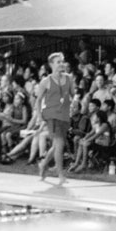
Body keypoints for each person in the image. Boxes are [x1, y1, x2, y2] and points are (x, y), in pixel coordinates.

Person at [34, 52, 76, 185]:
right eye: (58, 62)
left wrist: (74, 101)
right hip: (51, 115)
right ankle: (61, 174)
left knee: (57, 145)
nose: (61, 64)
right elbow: (38, 100)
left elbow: (73, 94)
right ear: (51, 64)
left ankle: (43, 164)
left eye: (62, 61)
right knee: (59, 144)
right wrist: (40, 117)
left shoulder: (69, 78)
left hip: (64, 115)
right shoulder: (46, 81)